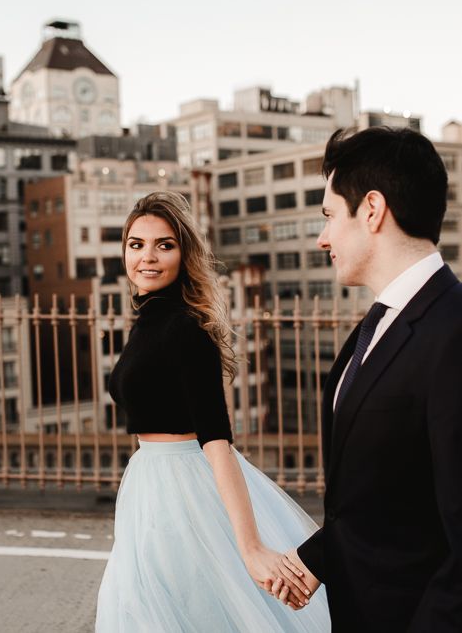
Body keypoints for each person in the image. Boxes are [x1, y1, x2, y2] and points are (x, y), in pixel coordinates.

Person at [95, 191, 330, 631]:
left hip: (187, 489)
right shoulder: (147, 319)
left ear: (184, 254)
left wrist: (250, 547)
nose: (148, 256)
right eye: (136, 244)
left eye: (164, 245)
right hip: (150, 485)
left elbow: (217, 440)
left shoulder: (186, 327)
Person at [272, 127, 462, 631]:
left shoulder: (453, 332)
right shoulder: (376, 327)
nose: (323, 237)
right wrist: (319, 559)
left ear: (372, 210)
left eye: (330, 215)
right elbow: (390, 493)